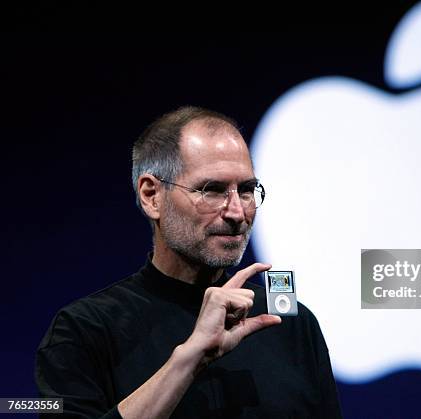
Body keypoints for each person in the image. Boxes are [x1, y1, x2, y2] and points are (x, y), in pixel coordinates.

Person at [36, 106, 342, 418]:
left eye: (247, 190)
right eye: (212, 190)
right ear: (152, 195)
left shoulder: (289, 320)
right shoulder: (83, 330)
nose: (237, 212)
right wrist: (190, 358)